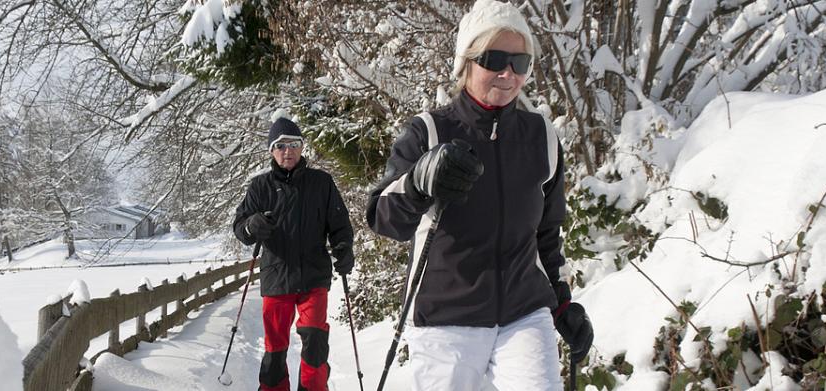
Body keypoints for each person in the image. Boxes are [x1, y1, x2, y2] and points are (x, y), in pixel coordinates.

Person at [366, 1, 594, 389]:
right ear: (466, 62)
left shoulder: (541, 137)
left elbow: (547, 235)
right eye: (494, 58)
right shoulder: (429, 131)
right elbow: (382, 216)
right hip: (446, 317)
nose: (508, 73)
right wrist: (420, 179)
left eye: (520, 62)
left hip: (525, 310)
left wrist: (563, 303)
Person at [232, 116, 355, 391]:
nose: (287, 151)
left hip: (314, 276)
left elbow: (340, 226)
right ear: (272, 151)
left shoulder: (321, 183)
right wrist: (252, 225)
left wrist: (344, 248)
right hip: (277, 277)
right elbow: (240, 228)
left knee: (315, 342)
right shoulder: (260, 187)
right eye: (280, 146)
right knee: (275, 349)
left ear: (302, 148)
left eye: (293, 144)